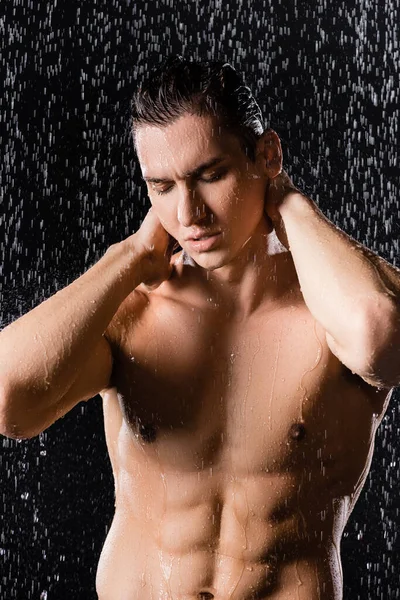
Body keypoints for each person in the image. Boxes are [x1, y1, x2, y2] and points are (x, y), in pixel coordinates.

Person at [1, 55, 399, 600]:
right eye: (160, 187)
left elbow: (379, 343)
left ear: (268, 154)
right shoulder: (134, 308)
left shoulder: (343, 305)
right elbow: (9, 405)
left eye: (210, 175)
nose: (188, 213)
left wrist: (292, 208)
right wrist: (132, 255)